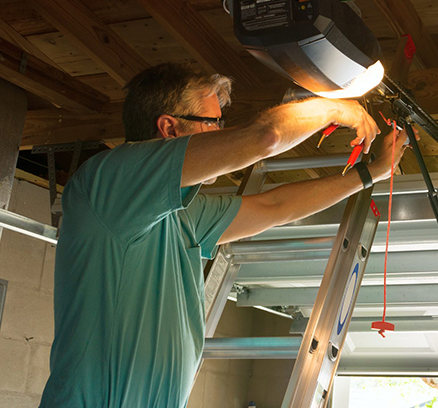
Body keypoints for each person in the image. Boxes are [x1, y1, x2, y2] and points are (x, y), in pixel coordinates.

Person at [39, 63, 412, 408]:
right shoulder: (109, 183)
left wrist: (371, 174)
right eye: (212, 123)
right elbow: (266, 136)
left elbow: (274, 207)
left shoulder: (182, 213)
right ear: (170, 128)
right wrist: (335, 108)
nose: (221, 133)